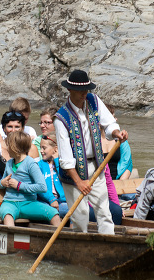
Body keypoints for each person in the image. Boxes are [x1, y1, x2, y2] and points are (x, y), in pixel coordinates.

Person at [52, 69, 128, 235]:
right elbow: (65, 159)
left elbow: (108, 124)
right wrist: (79, 182)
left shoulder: (93, 100)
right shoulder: (61, 118)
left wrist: (117, 133)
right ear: (70, 90)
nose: (84, 94)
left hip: (96, 166)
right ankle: (81, 251)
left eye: (86, 90)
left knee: (104, 213)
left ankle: (109, 246)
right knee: (81, 217)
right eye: (80, 91)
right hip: (74, 174)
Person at [0, 132, 61, 228]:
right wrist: (2, 183)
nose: (6, 149)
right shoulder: (9, 163)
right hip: (9, 203)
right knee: (7, 216)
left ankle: (60, 239)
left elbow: (42, 187)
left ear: (15, 148)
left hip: (28, 203)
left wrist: (19, 186)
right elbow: (1, 183)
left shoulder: (31, 164)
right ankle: (12, 239)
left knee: (54, 214)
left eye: (8, 146)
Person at [0, 110, 39, 175]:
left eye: (17, 127)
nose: (13, 130)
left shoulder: (32, 149)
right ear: (4, 128)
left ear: (23, 128)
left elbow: (38, 174)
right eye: (9, 126)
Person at [102, 105, 138, 180]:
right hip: (99, 182)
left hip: (118, 180)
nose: (116, 119)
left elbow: (127, 163)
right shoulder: (92, 140)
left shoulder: (120, 139)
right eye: (113, 118)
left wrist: (120, 182)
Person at [36, 134, 68, 219]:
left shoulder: (63, 164)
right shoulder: (39, 166)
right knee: (51, 211)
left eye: (44, 148)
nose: (41, 151)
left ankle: (72, 231)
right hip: (45, 202)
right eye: (40, 148)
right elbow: (39, 186)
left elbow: (65, 178)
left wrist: (57, 161)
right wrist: (52, 199)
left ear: (56, 149)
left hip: (63, 202)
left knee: (73, 211)